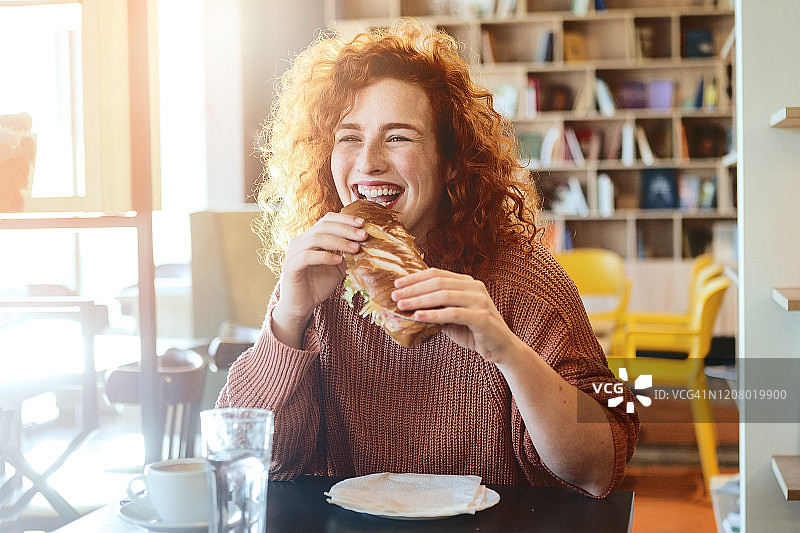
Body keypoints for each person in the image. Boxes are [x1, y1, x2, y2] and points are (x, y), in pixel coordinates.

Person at [216, 20, 639, 498]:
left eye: (398, 137)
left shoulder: (524, 281)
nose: (369, 160)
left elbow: (599, 466)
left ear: (451, 161)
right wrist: (287, 320)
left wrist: (506, 351)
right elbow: (249, 459)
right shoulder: (318, 280)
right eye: (349, 137)